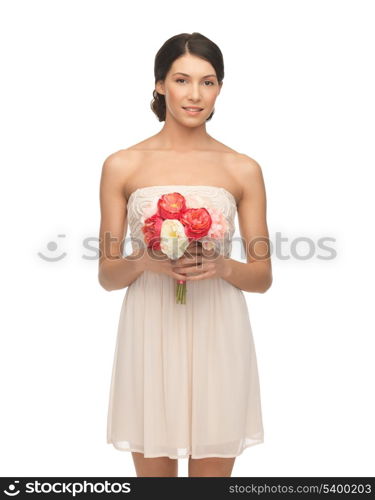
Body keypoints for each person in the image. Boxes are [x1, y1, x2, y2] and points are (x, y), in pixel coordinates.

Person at [98, 32, 272, 477]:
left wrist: (223, 265)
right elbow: (107, 274)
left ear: (219, 88)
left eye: (208, 82)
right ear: (160, 85)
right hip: (150, 330)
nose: (195, 95)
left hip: (218, 330)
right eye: (182, 80)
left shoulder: (242, 168)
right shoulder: (123, 164)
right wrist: (144, 261)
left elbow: (262, 275)